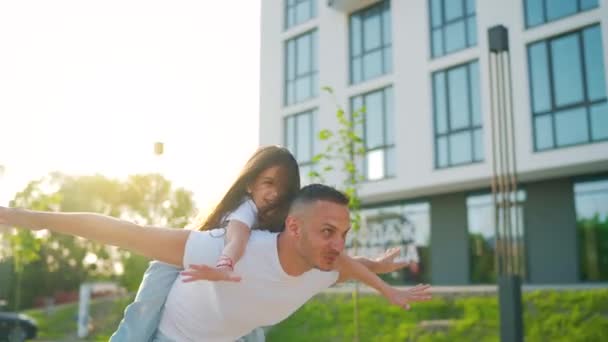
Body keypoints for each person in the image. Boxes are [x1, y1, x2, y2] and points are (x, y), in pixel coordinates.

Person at [0, 184, 432, 341]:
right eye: (327, 232)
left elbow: (350, 265)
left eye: (343, 234)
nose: (338, 245)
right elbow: (118, 231)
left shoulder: (326, 265)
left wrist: (380, 272)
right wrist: (25, 218)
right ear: (294, 228)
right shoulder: (223, 246)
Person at [113, 145, 418, 341]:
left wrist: (376, 268)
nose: (274, 194)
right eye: (268, 184)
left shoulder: (288, 223)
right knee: (144, 313)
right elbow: (236, 241)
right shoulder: (245, 209)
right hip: (186, 260)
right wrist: (225, 264)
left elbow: (342, 263)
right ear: (251, 183)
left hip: (229, 286)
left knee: (250, 328)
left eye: (283, 188)